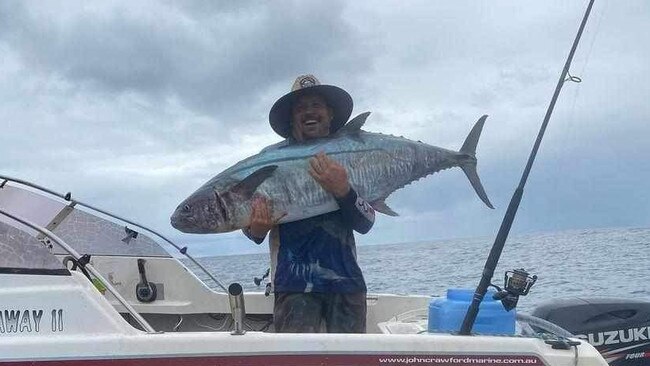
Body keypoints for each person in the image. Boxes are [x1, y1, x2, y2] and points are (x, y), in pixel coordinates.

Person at [242, 75, 375, 333]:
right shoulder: (270, 159)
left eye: (316, 105)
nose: (310, 112)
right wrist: (256, 229)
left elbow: (366, 222)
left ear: (330, 113)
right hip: (294, 286)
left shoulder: (352, 156)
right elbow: (248, 225)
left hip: (347, 282)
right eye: (301, 108)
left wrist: (343, 191)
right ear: (292, 119)